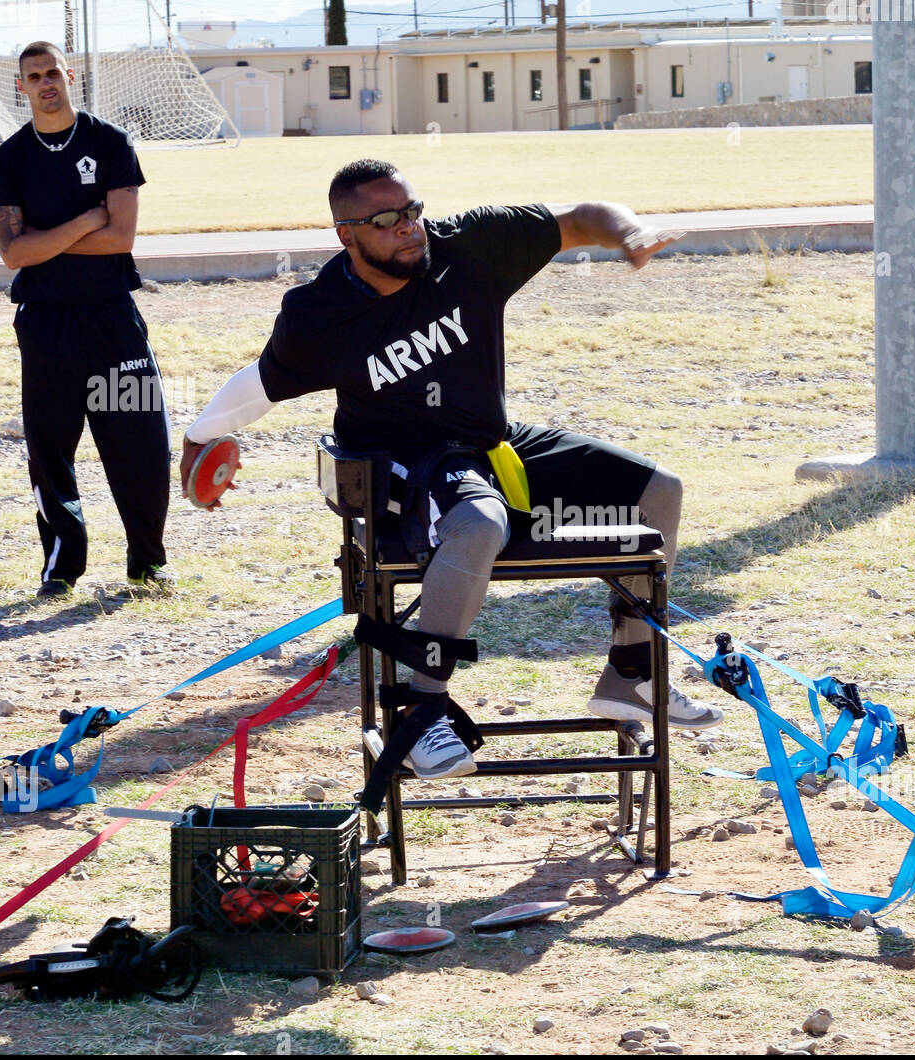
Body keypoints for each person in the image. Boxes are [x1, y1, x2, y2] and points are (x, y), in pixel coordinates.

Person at [180, 158, 721, 779]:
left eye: (412, 210)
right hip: (399, 461)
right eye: (386, 219)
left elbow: (579, 219)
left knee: (659, 492)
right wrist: (200, 435)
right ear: (346, 235)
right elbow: (263, 382)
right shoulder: (319, 313)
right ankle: (421, 712)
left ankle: (632, 674)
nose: (408, 227)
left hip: (489, 443)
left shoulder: (470, 248)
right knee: (479, 522)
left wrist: (629, 233)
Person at [0, 41, 171, 598]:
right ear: (21, 87)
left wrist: (47, 240)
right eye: (33, 76)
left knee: (137, 439)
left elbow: (122, 238)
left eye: (52, 74)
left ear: (69, 77)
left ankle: (147, 562)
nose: (45, 83)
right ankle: (62, 566)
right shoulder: (9, 159)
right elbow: (13, 255)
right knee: (50, 448)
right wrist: (88, 217)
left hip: (112, 318)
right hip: (45, 323)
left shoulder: (108, 142)